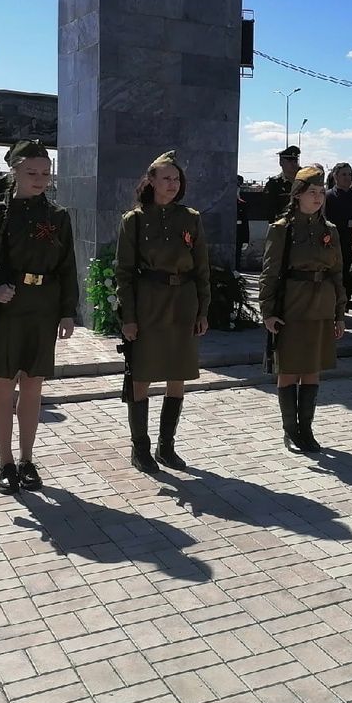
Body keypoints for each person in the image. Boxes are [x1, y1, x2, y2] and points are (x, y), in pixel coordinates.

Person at [0, 140, 77, 495]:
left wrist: (67, 311)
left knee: (32, 387)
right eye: (32, 172)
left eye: (45, 172)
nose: (40, 179)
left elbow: (67, 267)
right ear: (14, 171)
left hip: (43, 307)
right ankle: (5, 462)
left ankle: (27, 460)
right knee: (2, 385)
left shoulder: (58, 216)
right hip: (7, 310)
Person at [116, 151, 212, 472]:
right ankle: (139, 447)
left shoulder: (191, 218)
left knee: (177, 375)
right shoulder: (135, 220)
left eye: (177, 178)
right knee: (141, 376)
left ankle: (165, 446)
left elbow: (202, 269)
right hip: (148, 303)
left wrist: (203, 310)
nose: (172, 184)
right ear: (151, 181)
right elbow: (124, 272)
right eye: (166, 178)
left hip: (183, 303)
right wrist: (128, 317)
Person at [259, 166, 346, 451]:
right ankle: (290, 429)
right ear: (297, 196)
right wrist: (268, 311)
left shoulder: (329, 230)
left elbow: (337, 273)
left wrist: (339, 313)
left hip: (322, 305)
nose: (318, 197)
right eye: (312, 192)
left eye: (321, 192)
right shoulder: (282, 229)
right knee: (289, 370)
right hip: (293, 306)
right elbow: (270, 272)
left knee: (312, 370)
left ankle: (306, 429)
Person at [324, 162, 352, 309]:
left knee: (350, 276)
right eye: (344, 175)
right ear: (335, 177)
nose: (347, 178)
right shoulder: (328, 197)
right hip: (336, 243)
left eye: (349, 174)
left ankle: (346, 302)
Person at [264, 145, 301, 220]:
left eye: (295, 161)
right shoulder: (274, 184)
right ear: (281, 162)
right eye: (290, 161)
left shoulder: (306, 181)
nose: (293, 164)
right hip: (283, 226)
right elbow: (269, 209)